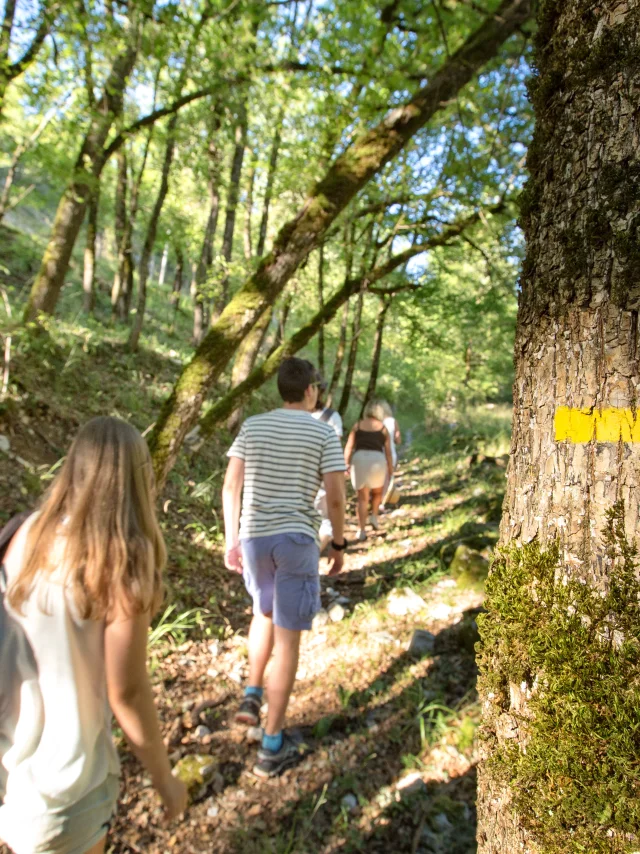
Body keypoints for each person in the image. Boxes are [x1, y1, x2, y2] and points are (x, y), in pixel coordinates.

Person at [0, 417, 187, 854]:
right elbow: (129, 693)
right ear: (138, 481)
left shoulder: (22, 533)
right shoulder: (121, 565)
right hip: (66, 787)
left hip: (8, 771)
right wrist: (165, 779)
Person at [222, 357, 347, 778]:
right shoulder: (323, 432)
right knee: (288, 644)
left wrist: (231, 539)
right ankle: (271, 747)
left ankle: (251, 695)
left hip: (255, 539)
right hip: (295, 540)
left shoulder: (253, 426)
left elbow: (230, 485)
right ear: (311, 390)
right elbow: (335, 497)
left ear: (280, 389)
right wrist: (341, 543)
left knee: (263, 613)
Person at [344, 399, 394, 542]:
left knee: (362, 497)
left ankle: (361, 530)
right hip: (377, 460)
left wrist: (345, 463)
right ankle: (374, 516)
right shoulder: (383, 428)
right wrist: (391, 470)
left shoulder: (357, 426)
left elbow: (349, 447)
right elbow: (389, 452)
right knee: (377, 492)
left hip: (359, 459)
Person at [311, 381, 344, 550]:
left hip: (291, 479)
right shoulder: (331, 418)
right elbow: (334, 454)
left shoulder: (284, 417)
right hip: (320, 478)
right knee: (324, 522)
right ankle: (310, 557)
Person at [380, 400, 402, 508]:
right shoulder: (393, 421)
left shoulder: (374, 422)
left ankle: (373, 500)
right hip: (390, 454)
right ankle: (382, 502)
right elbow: (398, 440)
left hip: (376, 454)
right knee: (387, 479)